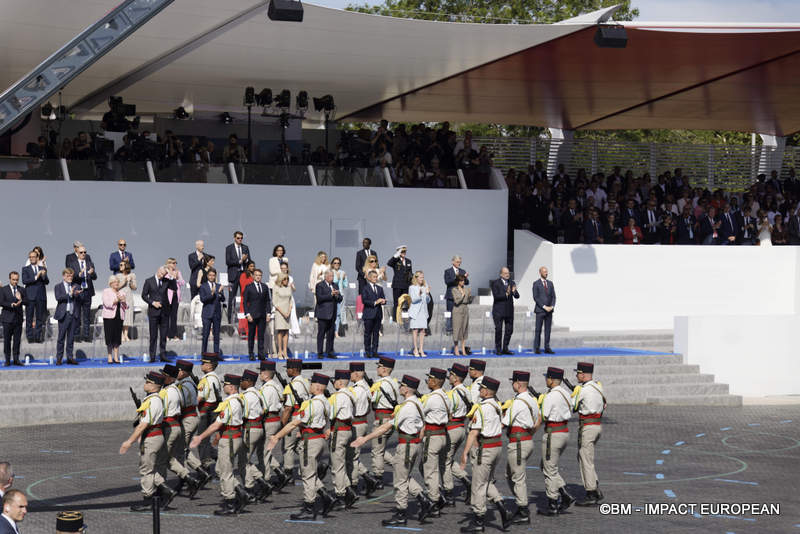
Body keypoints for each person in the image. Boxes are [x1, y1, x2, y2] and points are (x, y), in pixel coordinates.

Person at [351, 374, 434, 526]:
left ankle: (401, 513)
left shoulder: (407, 407)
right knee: (405, 475)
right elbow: (423, 426)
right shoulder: (417, 403)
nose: (399, 387)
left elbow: (385, 427)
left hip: (406, 445)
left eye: (402, 385)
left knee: (400, 481)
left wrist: (365, 439)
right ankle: (424, 500)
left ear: (407, 389)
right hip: (414, 444)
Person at [267, 373, 336, 521]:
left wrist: (276, 436)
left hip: (310, 442)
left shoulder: (312, 404)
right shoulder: (325, 401)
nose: (309, 386)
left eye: (312, 384)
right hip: (318, 439)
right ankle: (326, 496)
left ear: (317, 386)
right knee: (308, 471)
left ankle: (309, 508)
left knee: (308, 475)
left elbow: (293, 423)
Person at [190, 374, 249, 516]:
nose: (223, 387)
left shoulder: (230, 402)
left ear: (231, 387)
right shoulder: (240, 400)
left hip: (229, 438)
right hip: (234, 436)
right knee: (219, 469)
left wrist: (200, 437)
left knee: (226, 471)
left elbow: (217, 424)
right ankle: (241, 492)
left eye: (225, 385)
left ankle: (230, 503)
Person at [459, 376, 511, 532]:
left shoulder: (481, 408)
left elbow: (473, 433)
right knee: (486, 481)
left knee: (478, 485)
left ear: (487, 391)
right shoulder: (496, 404)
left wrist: (465, 453)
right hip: (496, 447)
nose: (479, 390)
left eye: (481, 388)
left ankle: (478, 520)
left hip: (485, 448)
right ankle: (501, 505)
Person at [119, 371, 175, 512]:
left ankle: (148, 500)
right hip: (154, 436)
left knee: (146, 470)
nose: (145, 384)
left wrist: (129, 441)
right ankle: (166, 490)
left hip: (152, 437)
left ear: (155, 385)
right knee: (151, 468)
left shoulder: (152, 401)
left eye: (148, 382)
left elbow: (143, 424)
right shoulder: (153, 399)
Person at [502, 371, 540, 524]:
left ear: (518, 383)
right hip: (526, 439)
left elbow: (505, 422)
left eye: (513, 382)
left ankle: (523, 510)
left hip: (518, 443)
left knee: (517, 477)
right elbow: (538, 419)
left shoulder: (517, 402)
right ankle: (520, 500)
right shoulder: (531, 400)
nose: (512, 385)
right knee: (510, 474)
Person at [160, 365, 201, 498]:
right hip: (178, 423)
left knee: (168, 457)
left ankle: (185, 480)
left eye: (163, 375)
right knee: (174, 455)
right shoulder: (175, 389)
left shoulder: (171, 390)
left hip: (174, 424)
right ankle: (189, 478)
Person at [538, 367, 574, 516]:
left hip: (553, 433)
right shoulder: (565, 393)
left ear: (552, 380)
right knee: (546, 465)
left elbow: (544, 416)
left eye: (547, 378)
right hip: (564, 432)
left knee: (549, 470)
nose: (546, 380)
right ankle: (564, 493)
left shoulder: (551, 396)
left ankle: (552, 503)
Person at [572, 362, 606, 507]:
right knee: (587, 457)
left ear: (583, 374)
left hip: (587, 426)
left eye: (578, 373)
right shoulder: (598, 387)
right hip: (597, 425)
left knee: (585, 458)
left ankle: (591, 492)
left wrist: (574, 394)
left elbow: (572, 407)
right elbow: (604, 404)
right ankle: (594, 484)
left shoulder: (583, 390)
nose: (576, 375)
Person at [420, 367, 452, 516]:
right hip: (442, 434)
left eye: (429, 379)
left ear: (434, 381)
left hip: (432, 436)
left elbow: (420, 413)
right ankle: (436, 494)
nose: (427, 381)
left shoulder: (432, 398)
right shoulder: (445, 396)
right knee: (427, 467)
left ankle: (434, 501)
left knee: (430, 470)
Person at [176, 359, 211, 488]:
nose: (176, 373)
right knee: (183, 449)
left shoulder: (185, 385)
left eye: (178, 370)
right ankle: (199, 473)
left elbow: (183, 403)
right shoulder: (186, 383)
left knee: (181, 451)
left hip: (188, 419)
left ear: (184, 372)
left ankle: (187, 478)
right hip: (191, 417)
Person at [240, 369, 273, 502]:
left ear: (249, 382)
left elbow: (244, 415)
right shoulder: (258, 393)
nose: (241, 383)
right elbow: (265, 409)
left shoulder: (248, 395)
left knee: (244, 461)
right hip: (259, 427)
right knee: (246, 460)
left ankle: (250, 489)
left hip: (250, 428)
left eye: (242, 380)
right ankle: (262, 482)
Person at [329, 369, 359, 510]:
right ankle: (348, 490)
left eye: (335, 380)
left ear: (340, 381)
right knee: (342, 462)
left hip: (339, 431)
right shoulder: (351, 394)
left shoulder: (338, 396)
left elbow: (331, 414)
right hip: (348, 429)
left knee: (337, 465)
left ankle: (341, 495)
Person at [258, 360, 290, 489]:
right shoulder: (276, 386)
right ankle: (279, 472)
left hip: (269, 420)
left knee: (265, 452)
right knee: (267, 450)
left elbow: (263, 407)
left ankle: (266, 480)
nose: (259, 375)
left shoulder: (267, 389)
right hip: (275, 418)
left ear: (266, 374)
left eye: (260, 372)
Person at [369, 356, 400, 488]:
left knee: (377, 450)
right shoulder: (394, 382)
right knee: (380, 449)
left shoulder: (380, 384)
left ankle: (378, 477)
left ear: (384, 369)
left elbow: (372, 399)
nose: (377, 369)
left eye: (379, 366)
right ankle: (397, 465)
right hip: (390, 417)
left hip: (382, 418)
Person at [443, 363, 471, 506]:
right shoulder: (466, 391)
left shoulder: (452, 393)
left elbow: (447, 412)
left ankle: (448, 493)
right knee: (448, 458)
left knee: (445, 461)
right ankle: (466, 480)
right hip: (461, 427)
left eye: (451, 375)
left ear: (455, 378)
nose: (449, 377)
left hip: (452, 427)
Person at [349, 362, 378, 495]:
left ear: (356, 373)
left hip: (356, 423)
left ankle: (354, 484)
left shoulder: (356, 389)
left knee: (352, 456)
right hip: (363, 421)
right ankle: (367, 477)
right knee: (353, 455)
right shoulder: (365, 387)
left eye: (351, 372)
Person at [280, 359, 311, 482]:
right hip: (303, 418)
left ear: (294, 369)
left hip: (294, 418)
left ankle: (288, 473)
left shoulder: (292, 385)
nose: (287, 371)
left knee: (288, 446)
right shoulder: (305, 382)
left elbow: (288, 408)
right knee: (299, 446)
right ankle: (308, 468)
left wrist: (283, 425)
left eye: (288, 368)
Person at [195, 353, 222, 475]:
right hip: (214, 408)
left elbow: (199, 398)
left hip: (205, 410)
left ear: (210, 365)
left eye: (204, 363)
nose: (201, 365)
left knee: (202, 439)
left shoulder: (205, 380)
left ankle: (205, 465)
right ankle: (213, 455)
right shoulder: (215, 377)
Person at [142, 266, 176, 362]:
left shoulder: (166, 280)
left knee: (163, 335)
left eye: (164, 274)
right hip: (153, 312)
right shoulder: (149, 281)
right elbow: (143, 295)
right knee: (153, 336)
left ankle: (163, 355)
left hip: (165, 312)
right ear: (158, 270)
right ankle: (152, 356)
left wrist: (172, 277)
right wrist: (152, 302)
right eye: (161, 274)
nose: (161, 276)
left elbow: (174, 288)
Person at [66, 243, 96, 342]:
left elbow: (95, 277)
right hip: (78, 291)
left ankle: (86, 336)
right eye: (81, 252)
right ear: (77, 253)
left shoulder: (89, 263)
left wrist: (92, 273)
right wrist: (78, 275)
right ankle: (77, 335)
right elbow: (70, 277)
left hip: (87, 291)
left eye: (85, 252)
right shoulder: (73, 264)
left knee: (86, 315)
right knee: (77, 314)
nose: (83, 254)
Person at [54, 268, 81, 366]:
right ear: (64, 276)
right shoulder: (58, 286)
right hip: (63, 315)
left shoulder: (76, 286)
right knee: (61, 338)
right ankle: (59, 358)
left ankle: (70, 357)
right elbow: (58, 298)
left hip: (73, 314)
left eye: (71, 276)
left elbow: (80, 298)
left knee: (71, 338)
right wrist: (69, 294)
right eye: (68, 276)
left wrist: (77, 294)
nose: (70, 277)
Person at [243, 268, 272, 361]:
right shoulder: (249, 287)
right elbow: (245, 302)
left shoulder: (264, 287)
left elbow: (268, 301)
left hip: (262, 315)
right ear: (253, 276)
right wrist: (247, 314)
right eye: (256, 275)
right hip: (252, 315)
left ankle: (261, 354)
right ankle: (251, 353)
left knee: (261, 336)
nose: (258, 277)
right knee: (251, 335)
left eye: (260, 275)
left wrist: (268, 313)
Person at [22, 250, 48, 343]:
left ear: (37, 258)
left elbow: (46, 281)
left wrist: (44, 275)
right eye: (30, 257)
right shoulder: (25, 269)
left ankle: (38, 336)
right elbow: (24, 281)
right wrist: (36, 276)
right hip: (30, 296)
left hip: (40, 296)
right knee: (29, 317)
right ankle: (30, 337)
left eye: (34, 257)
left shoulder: (42, 268)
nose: (32, 258)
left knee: (39, 318)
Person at [490, 267, 519, 355]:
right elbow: (496, 296)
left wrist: (514, 292)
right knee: (498, 330)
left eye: (508, 273)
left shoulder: (512, 282)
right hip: (499, 311)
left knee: (509, 330)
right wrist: (506, 294)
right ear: (501, 274)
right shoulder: (496, 283)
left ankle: (505, 348)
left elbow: (517, 296)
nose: (507, 275)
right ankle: (498, 349)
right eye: (505, 273)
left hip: (509, 311)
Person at [315, 269, 341, 359]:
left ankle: (329, 351)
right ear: (325, 277)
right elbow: (319, 298)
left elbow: (340, 299)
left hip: (332, 314)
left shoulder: (335, 285)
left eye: (333, 276)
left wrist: (337, 295)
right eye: (330, 276)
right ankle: (320, 352)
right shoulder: (320, 285)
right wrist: (331, 294)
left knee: (331, 334)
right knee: (321, 334)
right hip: (323, 313)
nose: (332, 278)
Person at [225, 231, 250, 324]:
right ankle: (230, 319)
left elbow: (249, 261)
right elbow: (228, 262)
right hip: (233, 275)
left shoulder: (245, 248)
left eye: (241, 238)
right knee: (232, 297)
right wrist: (240, 260)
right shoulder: (229, 248)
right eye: (238, 238)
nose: (240, 240)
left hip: (243, 274)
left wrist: (246, 259)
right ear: (234, 238)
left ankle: (245, 317)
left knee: (245, 296)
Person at [199, 268, 226, 355]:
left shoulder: (218, 285)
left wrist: (220, 292)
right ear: (207, 276)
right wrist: (212, 293)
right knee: (206, 335)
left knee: (217, 335)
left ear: (215, 276)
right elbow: (203, 299)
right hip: (207, 313)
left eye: (213, 275)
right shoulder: (203, 286)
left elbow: (223, 299)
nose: (211, 277)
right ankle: (204, 353)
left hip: (217, 313)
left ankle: (216, 353)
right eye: (210, 275)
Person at [0, 273, 25, 366]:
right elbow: (1, 302)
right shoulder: (3, 290)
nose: (15, 281)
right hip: (7, 319)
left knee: (17, 340)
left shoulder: (21, 289)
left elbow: (27, 301)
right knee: (7, 340)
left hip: (18, 319)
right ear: (9, 279)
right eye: (13, 279)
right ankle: (7, 360)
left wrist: (20, 299)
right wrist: (12, 304)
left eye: (17, 280)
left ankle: (16, 359)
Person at [361, 269, 386, 358]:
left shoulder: (380, 288)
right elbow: (364, 301)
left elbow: (383, 298)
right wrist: (375, 302)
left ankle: (375, 351)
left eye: (376, 277)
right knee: (368, 334)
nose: (376, 278)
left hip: (378, 314)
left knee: (376, 334)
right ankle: (367, 351)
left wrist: (383, 301)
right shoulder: (365, 288)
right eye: (374, 277)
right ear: (370, 278)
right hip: (369, 314)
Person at [102, 275, 127, 364]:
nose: (117, 283)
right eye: (115, 282)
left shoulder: (122, 292)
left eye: (118, 282)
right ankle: (109, 356)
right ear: (111, 283)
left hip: (119, 317)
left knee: (117, 337)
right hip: (109, 317)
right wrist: (117, 300)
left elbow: (126, 306)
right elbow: (107, 304)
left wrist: (123, 301)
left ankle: (116, 356)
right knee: (109, 337)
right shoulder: (106, 291)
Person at [532, 266, 556, 355]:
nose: (546, 273)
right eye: (544, 271)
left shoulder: (550, 283)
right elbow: (536, 297)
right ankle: (537, 348)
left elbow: (554, 296)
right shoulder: (536, 283)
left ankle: (547, 347)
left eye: (547, 271)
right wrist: (544, 306)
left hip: (549, 311)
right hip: (540, 310)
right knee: (538, 330)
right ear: (540, 272)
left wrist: (552, 306)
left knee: (548, 330)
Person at [408, 271, 431, 357]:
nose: (422, 279)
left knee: (423, 330)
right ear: (416, 278)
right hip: (415, 311)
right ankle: (415, 349)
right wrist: (419, 295)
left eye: (423, 277)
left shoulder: (425, 287)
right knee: (415, 330)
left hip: (423, 311)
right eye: (420, 277)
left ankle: (421, 349)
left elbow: (428, 301)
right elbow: (413, 300)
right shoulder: (412, 287)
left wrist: (427, 293)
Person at [444, 256, 469, 335]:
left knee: (460, 314)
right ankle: (449, 329)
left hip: (460, 296)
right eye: (457, 262)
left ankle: (459, 330)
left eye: (460, 262)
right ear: (453, 262)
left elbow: (467, 282)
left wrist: (465, 278)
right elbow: (447, 282)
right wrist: (457, 277)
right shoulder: (448, 271)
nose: (459, 263)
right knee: (450, 313)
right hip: (451, 296)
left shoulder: (462, 271)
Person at [387, 246, 413, 321]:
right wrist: (396, 255)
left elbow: (410, 272)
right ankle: (395, 318)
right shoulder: (396, 260)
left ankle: (404, 318)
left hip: (405, 285)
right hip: (397, 285)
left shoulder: (408, 261)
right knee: (397, 302)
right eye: (402, 252)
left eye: (405, 251)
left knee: (405, 303)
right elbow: (389, 263)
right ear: (398, 252)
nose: (404, 253)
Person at [272, 273, 294, 359]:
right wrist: (283, 313)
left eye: (287, 279)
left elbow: (291, 300)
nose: (286, 281)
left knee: (286, 331)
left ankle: (285, 351)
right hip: (280, 312)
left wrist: (289, 311)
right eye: (285, 279)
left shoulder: (289, 288)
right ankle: (279, 351)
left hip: (288, 312)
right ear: (281, 279)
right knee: (280, 332)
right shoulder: (276, 287)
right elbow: (275, 302)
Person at [165, 258, 186, 341]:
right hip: (167, 297)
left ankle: (173, 334)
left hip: (175, 296)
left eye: (175, 263)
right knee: (166, 316)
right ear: (168, 263)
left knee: (174, 316)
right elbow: (165, 282)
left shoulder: (178, 272)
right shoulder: (165, 272)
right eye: (173, 263)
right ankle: (166, 335)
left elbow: (183, 282)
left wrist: (177, 278)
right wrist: (171, 276)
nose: (174, 265)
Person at [451, 275, 472, 356]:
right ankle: (456, 348)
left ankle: (463, 349)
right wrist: (462, 295)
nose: (463, 282)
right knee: (457, 329)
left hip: (465, 308)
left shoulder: (467, 289)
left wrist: (470, 297)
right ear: (458, 282)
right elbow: (456, 301)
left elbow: (469, 301)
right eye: (461, 281)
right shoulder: (454, 289)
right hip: (457, 309)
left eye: (464, 280)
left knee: (464, 329)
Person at [117, 261, 137, 342]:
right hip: (121, 296)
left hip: (129, 297)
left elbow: (134, 287)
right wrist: (124, 281)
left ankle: (126, 335)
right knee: (121, 316)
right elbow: (116, 287)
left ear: (126, 266)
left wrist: (131, 281)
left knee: (128, 316)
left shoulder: (132, 275)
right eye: (120, 264)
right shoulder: (117, 276)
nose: (120, 266)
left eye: (122, 265)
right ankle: (121, 335)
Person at [330, 257, 349, 337]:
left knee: (338, 314)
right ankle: (332, 331)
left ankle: (336, 332)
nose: (336, 264)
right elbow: (331, 283)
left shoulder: (342, 272)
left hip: (340, 295)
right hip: (332, 295)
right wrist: (336, 279)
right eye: (335, 263)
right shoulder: (330, 272)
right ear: (332, 264)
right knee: (333, 314)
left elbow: (345, 285)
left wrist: (344, 279)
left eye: (338, 263)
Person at [237, 262, 256, 337]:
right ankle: (244, 331)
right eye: (251, 266)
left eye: (253, 266)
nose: (252, 268)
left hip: (254, 299)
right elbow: (243, 287)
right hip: (246, 298)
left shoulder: (255, 275)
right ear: (247, 267)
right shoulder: (243, 275)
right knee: (245, 314)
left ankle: (252, 331)